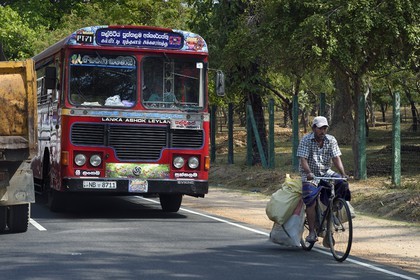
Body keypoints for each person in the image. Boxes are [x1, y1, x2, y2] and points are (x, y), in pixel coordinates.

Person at [297, 116, 350, 244]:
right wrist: (309, 173)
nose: (322, 131)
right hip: (310, 175)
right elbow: (303, 159)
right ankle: (312, 232)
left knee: (342, 183)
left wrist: (343, 173)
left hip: (326, 172)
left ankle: (334, 208)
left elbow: (336, 158)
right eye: (320, 128)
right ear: (314, 128)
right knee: (310, 200)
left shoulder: (331, 140)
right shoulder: (306, 140)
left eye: (325, 128)